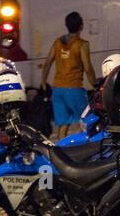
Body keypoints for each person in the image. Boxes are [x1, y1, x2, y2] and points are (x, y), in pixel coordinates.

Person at [41, 11, 96, 141]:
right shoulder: (82, 44)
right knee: (85, 120)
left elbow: (48, 63)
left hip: (57, 89)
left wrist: (43, 82)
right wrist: (95, 84)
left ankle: (61, 150)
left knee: (62, 124)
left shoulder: (58, 42)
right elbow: (87, 68)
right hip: (74, 88)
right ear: (81, 26)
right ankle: (76, 146)